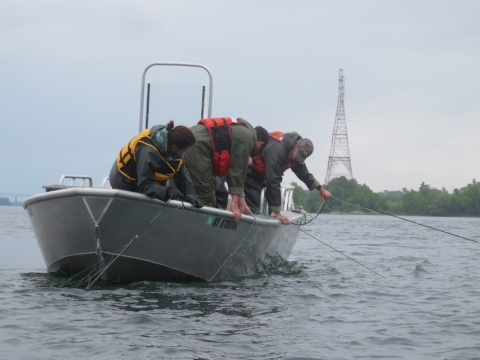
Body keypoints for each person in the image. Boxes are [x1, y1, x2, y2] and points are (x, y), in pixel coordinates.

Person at [184, 117, 268, 222]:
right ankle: (202, 232)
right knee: (207, 199)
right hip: (197, 148)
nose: (253, 154)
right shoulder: (248, 137)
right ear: (261, 144)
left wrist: (241, 201)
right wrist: (234, 204)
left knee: (183, 193)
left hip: (187, 142)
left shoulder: (240, 129)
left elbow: (232, 170)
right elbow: (237, 167)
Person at [244, 131, 332, 225]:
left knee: (265, 210)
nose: (295, 157)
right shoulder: (277, 149)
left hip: (262, 179)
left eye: (299, 157)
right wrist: (277, 212)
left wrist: (320, 188)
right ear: (296, 144)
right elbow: (273, 179)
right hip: (249, 173)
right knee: (255, 210)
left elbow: (303, 173)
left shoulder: (293, 154)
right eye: (296, 153)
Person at [109, 120, 203, 207]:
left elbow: (182, 174)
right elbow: (145, 185)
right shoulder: (148, 152)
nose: (185, 151)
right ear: (175, 148)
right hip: (124, 180)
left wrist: (190, 197)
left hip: (147, 183)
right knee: (140, 206)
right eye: (185, 149)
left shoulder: (173, 148)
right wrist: (167, 191)